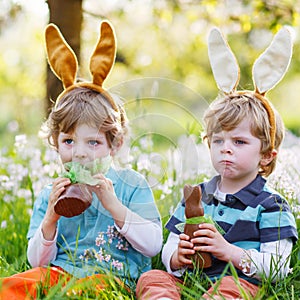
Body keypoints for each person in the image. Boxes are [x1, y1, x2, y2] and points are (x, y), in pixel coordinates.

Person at [0, 21, 162, 299]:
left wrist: (113, 205)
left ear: (116, 144)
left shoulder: (131, 185)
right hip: (61, 274)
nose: (80, 153)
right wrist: (50, 217)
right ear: (55, 142)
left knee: (90, 291)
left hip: (112, 278)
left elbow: (153, 246)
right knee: (14, 285)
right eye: (69, 141)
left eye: (94, 142)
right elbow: (37, 261)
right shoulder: (50, 193)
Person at [136, 27, 298, 300]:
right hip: (190, 280)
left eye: (239, 142)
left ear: (267, 155)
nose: (226, 150)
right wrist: (177, 257)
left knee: (229, 289)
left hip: (239, 282)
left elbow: (278, 267)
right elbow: (170, 245)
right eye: (218, 140)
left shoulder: (271, 205)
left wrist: (227, 251)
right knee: (151, 278)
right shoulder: (198, 195)